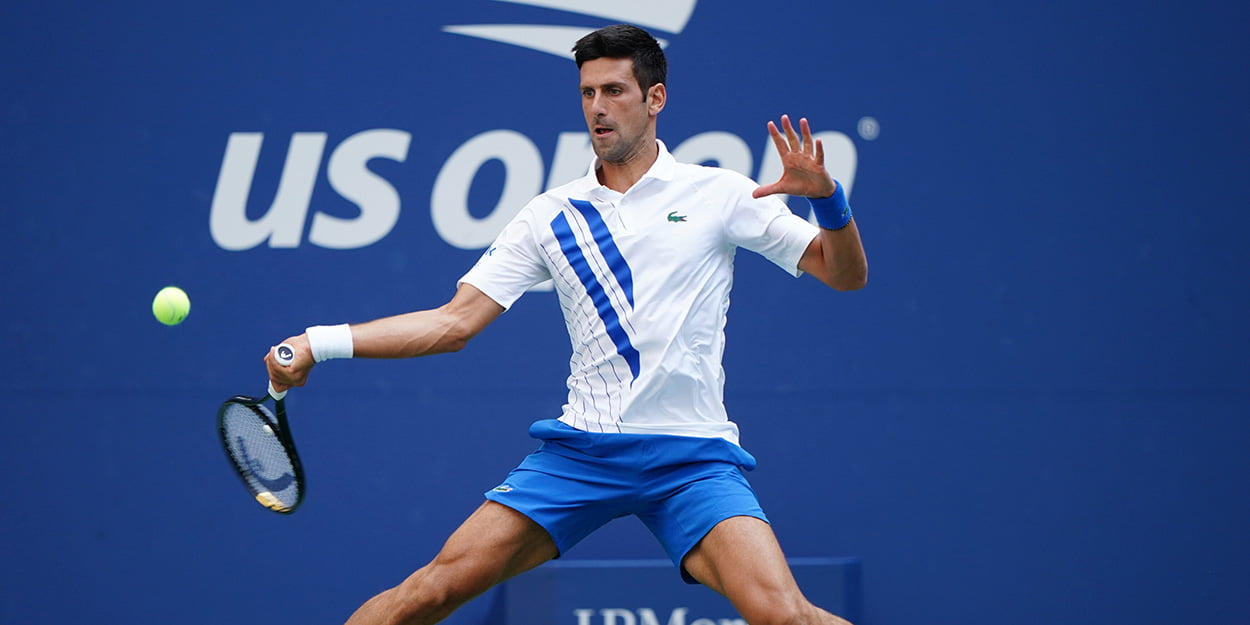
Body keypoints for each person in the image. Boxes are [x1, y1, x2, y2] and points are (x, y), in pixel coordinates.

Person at [266, 23, 867, 625]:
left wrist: (829, 202)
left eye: (613, 91)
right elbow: (454, 323)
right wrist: (319, 342)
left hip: (691, 457)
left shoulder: (722, 193)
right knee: (429, 593)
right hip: (584, 454)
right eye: (587, 94)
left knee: (786, 617)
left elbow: (844, 275)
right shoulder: (549, 216)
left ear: (655, 98)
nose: (597, 109)